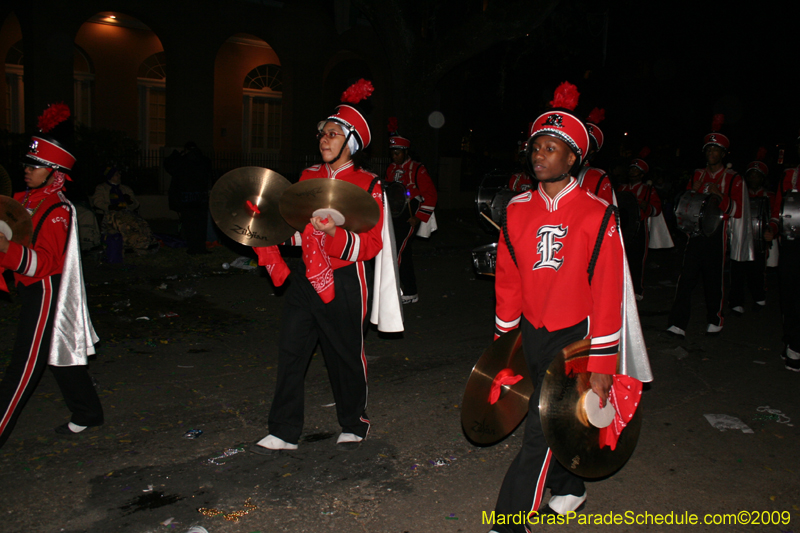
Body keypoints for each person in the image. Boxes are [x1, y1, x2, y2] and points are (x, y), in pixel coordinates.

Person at [489, 82, 636, 530]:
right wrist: (504, 344)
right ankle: (570, 487)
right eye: (536, 147)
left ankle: (510, 518)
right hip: (532, 331)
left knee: (539, 433)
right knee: (545, 418)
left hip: (576, 337)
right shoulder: (515, 209)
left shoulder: (598, 214)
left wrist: (602, 362)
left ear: (572, 158)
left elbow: (609, 293)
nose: (538, 156)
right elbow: (508, 282)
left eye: (550, 149)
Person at [250, 80, 403, 453]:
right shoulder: (306, 178)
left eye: (334, 133)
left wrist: (334, 234)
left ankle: (354, 422)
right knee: (291, 351)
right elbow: (299, 233)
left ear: (350, 142)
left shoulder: (369, 185)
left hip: (346, 279)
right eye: (323, 132)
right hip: (305, 279)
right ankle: (284, 430)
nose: (325, 138)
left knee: (344, 355)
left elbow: (371, 245)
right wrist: (264, 229)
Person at [0, 104, 103, 448]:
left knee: (24, 367)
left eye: (36, 166)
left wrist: (5, 249)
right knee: (58, 354)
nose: (27, 171)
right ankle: (87, 413)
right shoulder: (20, 201)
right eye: (27, 164)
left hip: (46, 290)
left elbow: (44, 263)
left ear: (54, 172)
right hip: (31, 288)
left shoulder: (57, 210)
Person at [667, 115, 746, 339]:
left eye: (715, 151)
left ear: (723, 154)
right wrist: (696, 189)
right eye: (708, 150)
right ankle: (678, 323)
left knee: (714, 279)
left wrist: (720, 195)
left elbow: (738, 210)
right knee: (687, 278)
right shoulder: (697, 174)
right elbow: (686, 202)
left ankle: (716, 319)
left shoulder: (733, 178)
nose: (711, 154)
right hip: (695, 232)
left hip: (718, 233)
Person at [385, 126, 438, 304]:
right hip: (394, 215)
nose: (395, 156)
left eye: (398, 153)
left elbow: (431, 195)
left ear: (405, 151)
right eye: (392, 153)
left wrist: (419, 217)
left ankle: (397, 290)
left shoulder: (417, 169)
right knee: (402, 252)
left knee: (397, 251)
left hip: (410, 215)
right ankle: (410, 292)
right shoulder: (391, 169)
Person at [769, 133, 800, 371]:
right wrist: (771, 228)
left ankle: (794, 345)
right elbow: (778, 211)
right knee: (789, 295)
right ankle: (792, 341)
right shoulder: (789, 176)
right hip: (791, 245)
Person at [729, 153, 772, 315]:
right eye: (751, 175)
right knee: (737, 270)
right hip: (740, 239)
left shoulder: (769, 196)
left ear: (762, 178)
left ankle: (759, 298)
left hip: (759, 242)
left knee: (757, 271)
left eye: (757, 175)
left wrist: (771, 230)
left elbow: (775, 216)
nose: (753, 178)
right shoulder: (739, 193)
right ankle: (736, 302)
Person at [617, 151, 662, 300]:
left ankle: (637, 289)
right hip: (622, 228)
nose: (632, 171)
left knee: (637, 259)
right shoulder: (622, 188)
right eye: (631, 169)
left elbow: (656, 210)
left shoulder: (648, 190)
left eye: (636, 170)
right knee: (620, 258)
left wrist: (645, 206)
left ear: (642, 174)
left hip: (639, 227)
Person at [91, 166, 155, 262]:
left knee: (141, 224)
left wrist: (129, 201)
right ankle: (128, 245)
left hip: (126, 213)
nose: (119, 176)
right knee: (124, 225)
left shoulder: (125, 188)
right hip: (111, 214)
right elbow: (97, 202)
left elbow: (135, 204)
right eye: (116, 174)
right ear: (111, 176)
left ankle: (145, 243)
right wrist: (111, 207)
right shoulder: (102, 188)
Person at [164, 142, 213, 255]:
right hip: (201, 198)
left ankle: (192, 248)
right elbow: (209, 176)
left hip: (186, 199)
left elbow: (169, 166)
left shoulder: (182, 162)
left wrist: (178, 154)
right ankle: (200, 248)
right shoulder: (204, 161)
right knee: (201, 225)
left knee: (190, 225)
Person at [577, 107, 615, 204]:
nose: (581, 142)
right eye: (580, 137)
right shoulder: (558, 167)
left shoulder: (598, 176)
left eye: (587, 141)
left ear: (592, 151)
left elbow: (607, 215)